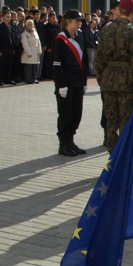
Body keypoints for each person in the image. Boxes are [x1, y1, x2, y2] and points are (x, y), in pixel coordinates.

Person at [96, 0, 133, 153]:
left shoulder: (106, 30)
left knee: (111, 123)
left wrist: (102, 80)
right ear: (132, 13)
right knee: (126, 122)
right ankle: (124, 158)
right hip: (126, 84)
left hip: (108, 81)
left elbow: (99, 60)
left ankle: (112, 158)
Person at [52, 10, 87, 157]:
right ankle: (63, 144)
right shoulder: (60, 40)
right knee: (66, 115)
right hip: (66, 84)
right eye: (76, 21)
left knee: (76, 114)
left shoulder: (79, 37)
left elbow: (83, 61)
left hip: (78, 82)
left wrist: (84, 81)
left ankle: (71, 142)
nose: (79, 23)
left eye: (80, 21)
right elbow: (57, 65)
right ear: (68, 21)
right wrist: (61, 85)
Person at [20, 19, 42, 84]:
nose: (30, 26)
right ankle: (28, 79)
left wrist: (39, 50)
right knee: (28, 67)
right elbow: (25, 44)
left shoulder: (35, 33)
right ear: (26, 25)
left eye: (31, 24)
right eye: (29, 24)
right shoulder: (24, 34)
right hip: (29, 52)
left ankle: (34, 78)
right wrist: (29, 53)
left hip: (36, 52)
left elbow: (39, 42)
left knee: (35, 66)